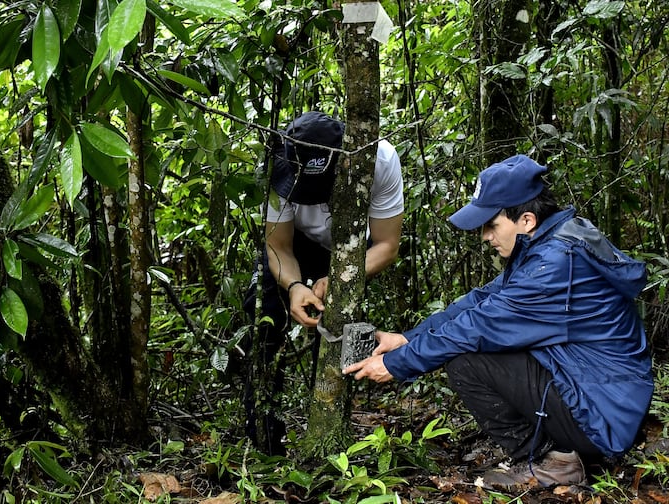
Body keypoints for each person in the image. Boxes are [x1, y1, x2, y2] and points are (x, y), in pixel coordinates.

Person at [344, 154, 653, 489]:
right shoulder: (549, 246)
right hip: (601, 395)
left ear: (527, 220)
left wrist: (398, 364)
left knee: (465, 359)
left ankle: (554, 461)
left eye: (492, 225)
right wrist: (407, 339)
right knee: (466, 343)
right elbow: (480, 301)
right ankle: (562, 451)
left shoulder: (553, 266)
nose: (485, 237)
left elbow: (478, 326)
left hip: (602, 416)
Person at [243, 111, 404, 455]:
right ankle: (263, 440)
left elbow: (387, 245)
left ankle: (332, 430)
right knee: (263, 318)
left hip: (354, 250)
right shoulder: (276, 164)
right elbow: (278, 245)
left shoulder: (379, 158)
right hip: (298, 243)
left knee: (339, 330)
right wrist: (294, 286)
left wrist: (342, 279)